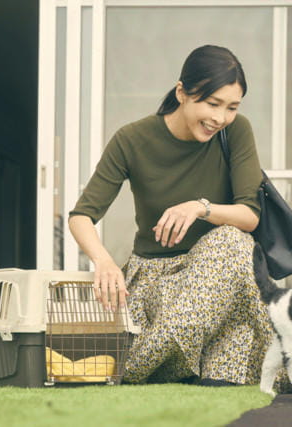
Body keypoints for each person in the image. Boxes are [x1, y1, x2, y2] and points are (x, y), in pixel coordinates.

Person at [68, 45, 273, 386]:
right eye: (212, 103)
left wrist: (199, 207)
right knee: (197, 330)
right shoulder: (132, 139)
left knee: (233, 241)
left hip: (217, 270)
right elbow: (81, 216)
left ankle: (148, 365)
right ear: (182, 92)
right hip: (154, 279)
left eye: (231, 107)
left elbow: (249, 216)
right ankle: (154, 362)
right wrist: (103, 260)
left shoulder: (236, 132)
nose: (220, 118)